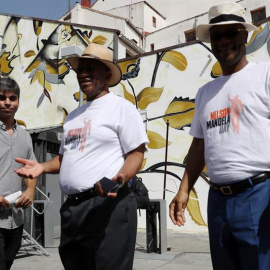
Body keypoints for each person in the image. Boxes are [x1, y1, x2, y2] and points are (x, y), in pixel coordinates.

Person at [15, 43, 149, 270]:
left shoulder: (122, 108)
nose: (83, 74)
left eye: (91, 68)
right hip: (73, 209)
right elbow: (65, 159)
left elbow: (136, 153)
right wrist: (41, 167)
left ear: (107, 75)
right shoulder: (73, 117)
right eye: (80, 70)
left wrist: (119, 178)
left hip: (108, 205)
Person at [169, 2, 270, 270]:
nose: (224, 41)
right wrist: (183, 189)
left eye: (231, 33)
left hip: (260, 195)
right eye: (217, 36)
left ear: (245, 36)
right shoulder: (205, 93)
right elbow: (199, 146)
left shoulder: (265, 76)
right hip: (218, 201)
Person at [0, 77, 37, 270]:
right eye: (2, 98)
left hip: (16, 218)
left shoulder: (25, 136)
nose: (7, 102)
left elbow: (31, 169)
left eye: (12, 98)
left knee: (7, 264)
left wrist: (30, 191)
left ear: (18, 102)